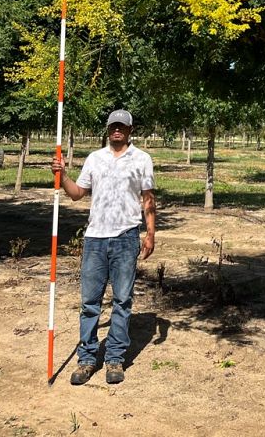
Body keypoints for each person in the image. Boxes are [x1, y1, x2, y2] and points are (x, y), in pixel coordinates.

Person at [51, 109, 156, 385]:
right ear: (108, 130)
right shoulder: (95, 159)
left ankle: (114, 359)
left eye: (122, 126)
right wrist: (62, 176)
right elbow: (77, 194)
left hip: (126, 237)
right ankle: (86, 359)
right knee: (89, 303)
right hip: (95, 239)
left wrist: (150, 234)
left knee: (122, 300)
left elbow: (147, 200)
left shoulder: (142, 159)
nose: (117, 130)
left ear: (130, 130)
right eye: (113, 126)